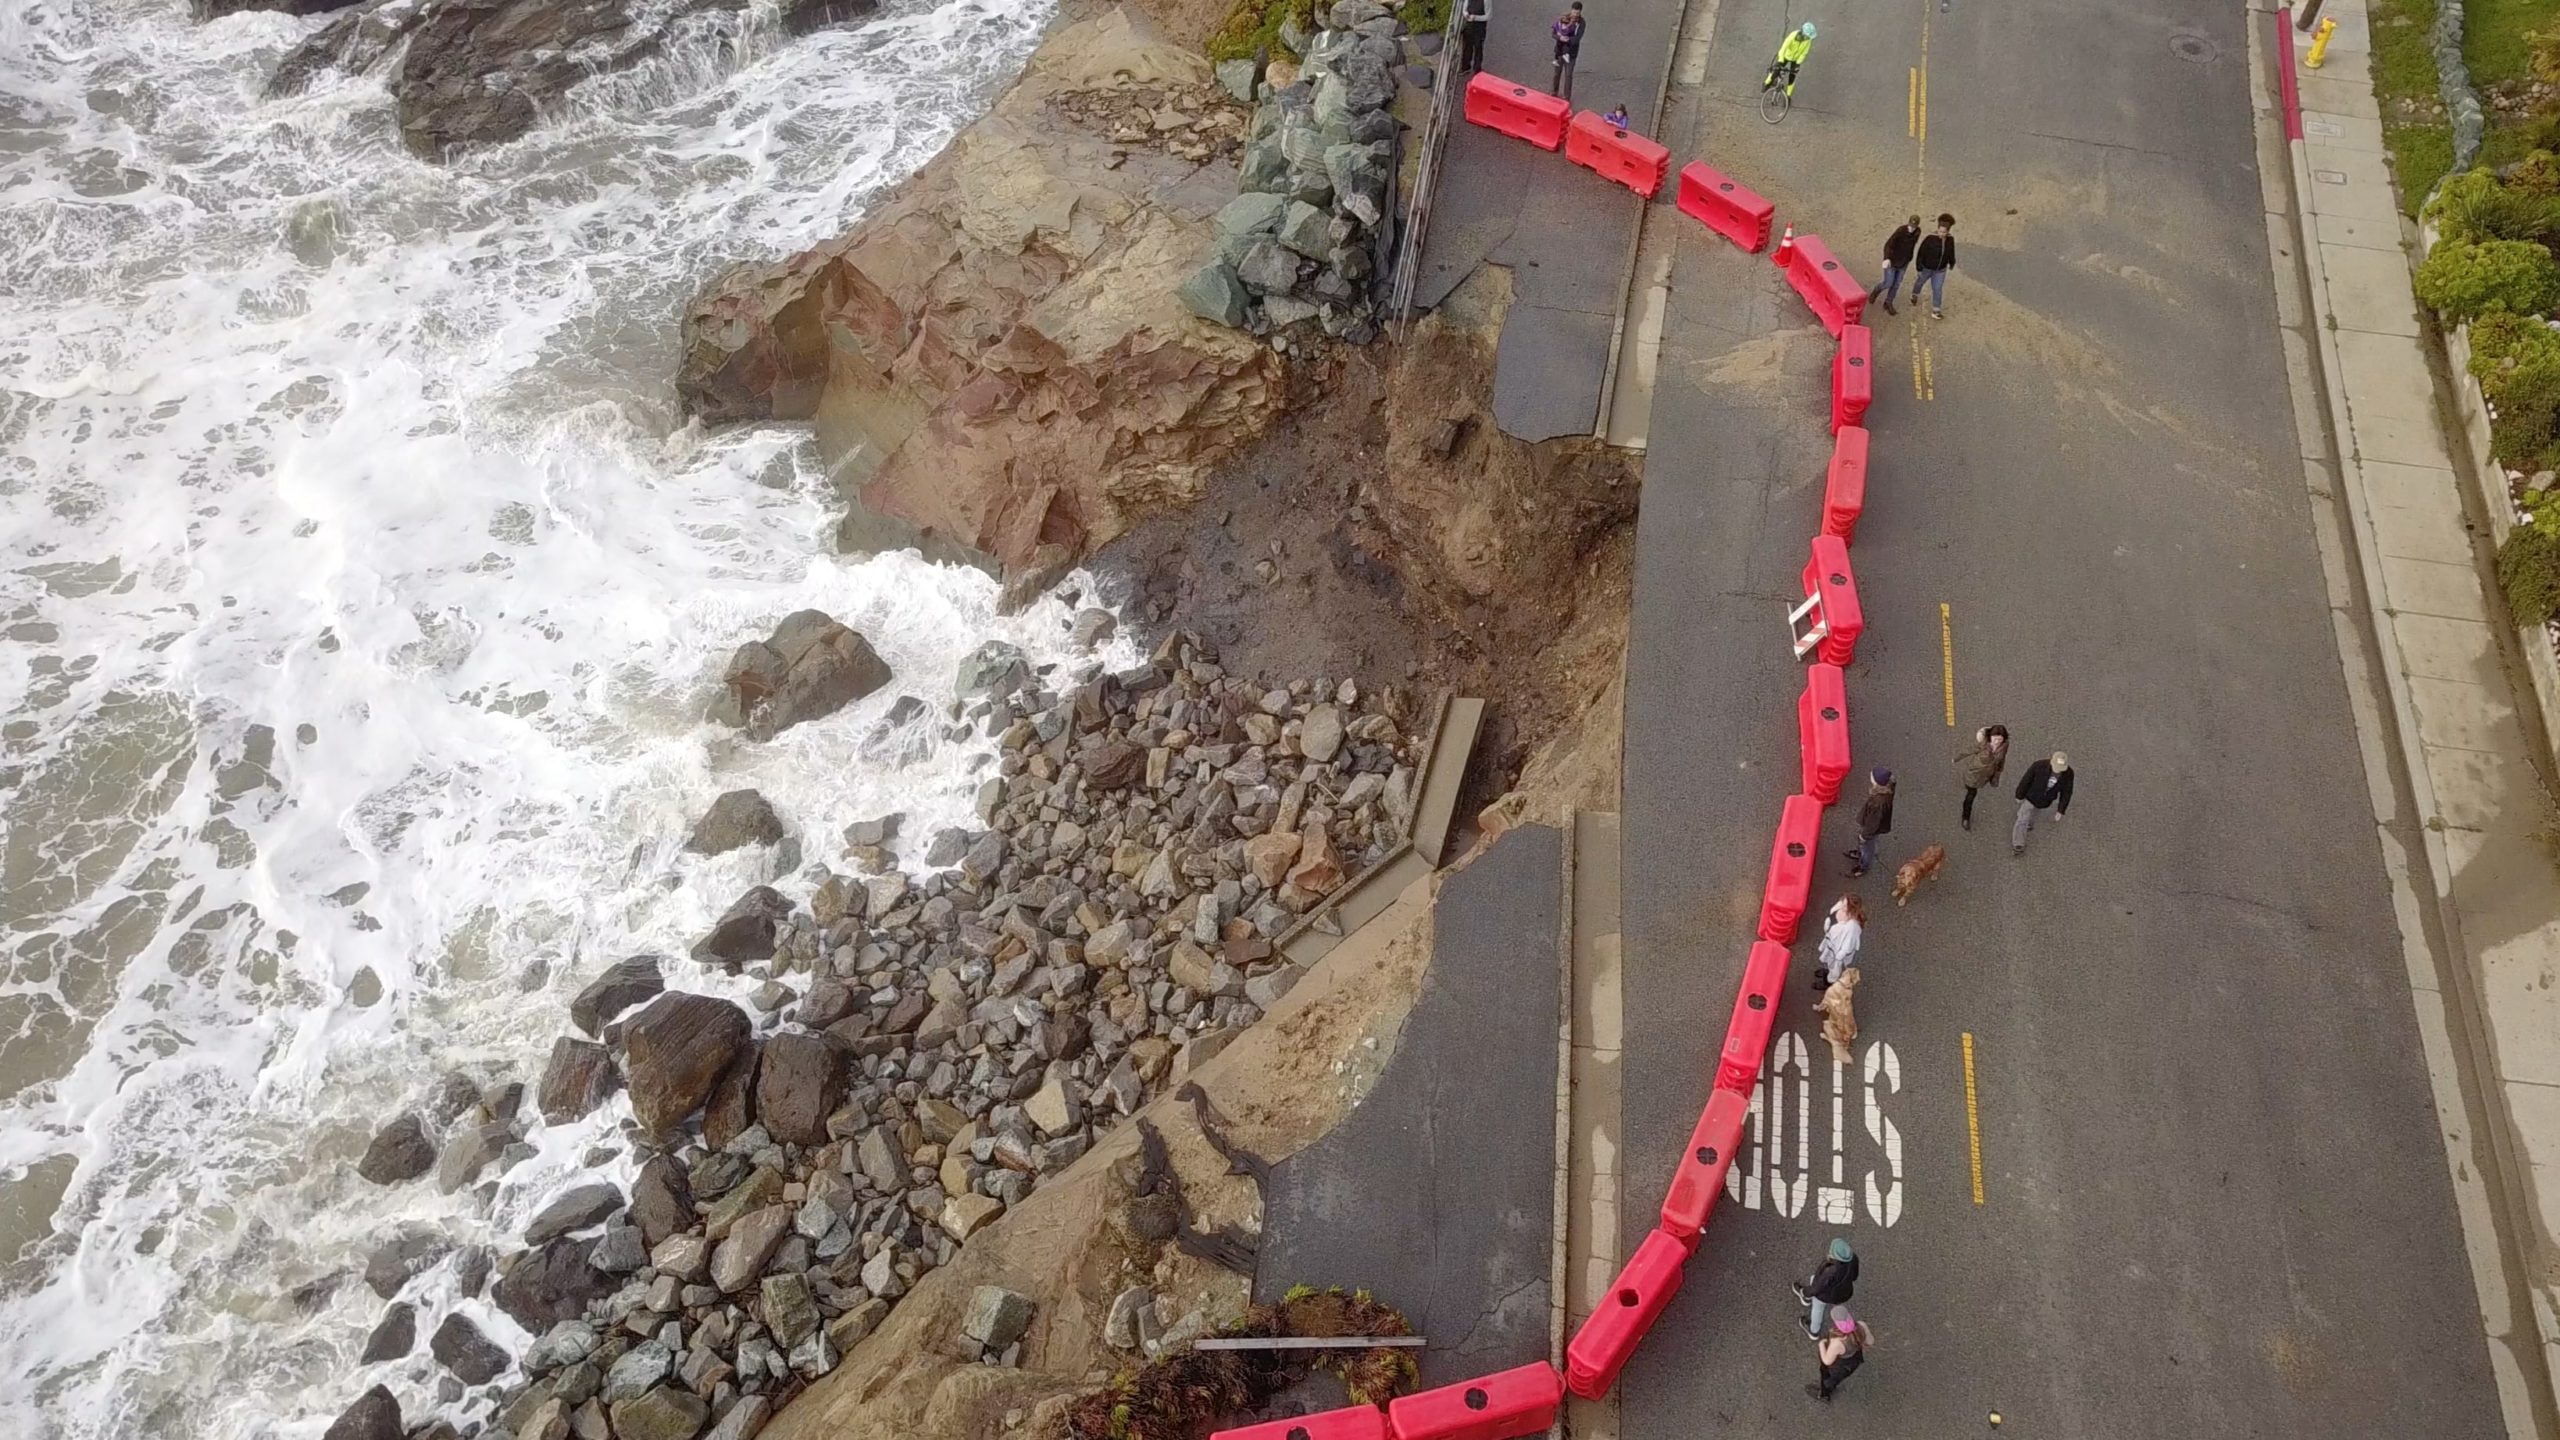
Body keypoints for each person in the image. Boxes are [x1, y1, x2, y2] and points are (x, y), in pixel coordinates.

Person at [1791, 1236, 1858, 1338]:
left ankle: (1814, 1331)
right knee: (1814, 1281)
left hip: (1826, 1295)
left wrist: (1805, 1292)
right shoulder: (1853, 1259)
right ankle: (1808, 1301)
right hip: (1844, 1292)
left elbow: (1817, 1288)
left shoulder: (1830, 1270)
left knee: (1818, 1308)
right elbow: (1854, 1277)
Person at [2012, 750, 2074, 856]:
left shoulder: (2068, 774)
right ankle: (2018, 843)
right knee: (2022, 819)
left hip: (2045, 801)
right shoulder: (2038, 766)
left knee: (2034, 813)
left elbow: (2067, 792)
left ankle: (2029, 824)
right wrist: (2019, 795)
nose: (2058, 771)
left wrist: (2061, 810)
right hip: (2030, 797)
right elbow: (2026, 780)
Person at [1953, 723, 2009, 830]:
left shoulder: (2005, 746)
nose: (1997, 742)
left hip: (1987, 775)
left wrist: (1997, 774)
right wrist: (1956, 758)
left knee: (1974, 791)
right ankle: (1965, 817)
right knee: (1971, 795)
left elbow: (2002, 760)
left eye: (2000, 739)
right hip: (1974, 774)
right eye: (1995, 739)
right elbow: (1968, 751)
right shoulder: (1983, 745)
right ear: (1990, 737)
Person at [1809, 1308, 1872, 1401]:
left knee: (1828, 1379)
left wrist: (1821, 1345)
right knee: (1837, 1379)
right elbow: (1870, 1341)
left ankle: (1824, 1394)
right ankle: (1830, 1387)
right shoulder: (1861, 1325)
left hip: (1839, 1365)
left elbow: (1827, 1360)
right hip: (1854, 1360)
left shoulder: (1838, 1342)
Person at [1843, 767, 1893, 876]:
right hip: (1879, 825)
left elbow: (1872, 823)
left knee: (1867, 847)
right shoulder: (1887, 790)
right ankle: (1860, 854)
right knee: (1867, 845)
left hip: (1871, 830)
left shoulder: (1877, 803)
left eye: (1872, 777)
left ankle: (1863, 867)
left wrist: (1864, 835)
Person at [1868, 215, 1922, 316]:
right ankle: (1876, 290)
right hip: (1892, 261)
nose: (1911, 229)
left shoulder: (1917, 232)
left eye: (1914, 227)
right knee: (1888, 282)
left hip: (1904, 262)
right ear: (1908, 223)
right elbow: (1889, 244)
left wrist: (1909, 258)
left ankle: (1888, 303)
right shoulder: (1900, 231)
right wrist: (1887, 258)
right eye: (1910, 226)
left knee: (1896, 284)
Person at [1814, 894, 1864, 991]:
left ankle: (1828, 982)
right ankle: (1826, 970)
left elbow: (1848, 946)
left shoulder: (1852, 927)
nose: (1842, 906)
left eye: (1845, 906)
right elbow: (1833, 913)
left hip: (1837, 952)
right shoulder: (1842, 907)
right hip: (1831, 944)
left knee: (1834, 970)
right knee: (1828, 961)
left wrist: (1839, 957)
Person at [1913, 213, 1956, 319]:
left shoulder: (1950, 240)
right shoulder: (1930, 239)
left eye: (1944, 232)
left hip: (1940, 270)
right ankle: (1915, 293)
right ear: (1937, 229)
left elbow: (1951, 252)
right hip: (1927, 268)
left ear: (1947, 232)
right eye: (1940, 231)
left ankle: (1936, 310)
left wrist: (1952, 262)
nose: (1941, 234)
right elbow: (1921, 253)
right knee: (1920, 282)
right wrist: (1919, 267)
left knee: (1937, 288)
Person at [1818, 968, 1860, 1067]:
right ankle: (1847, 1035)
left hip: (1840, 1016)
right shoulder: (1846, 989)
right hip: (1840, 1013)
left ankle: (1834, 1041)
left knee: (1834, 1029)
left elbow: (1829, 1000)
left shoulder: (1841, 989)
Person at [1765, 21, 1815, 95]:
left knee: (1792, 76)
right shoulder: (1792, 36)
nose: (1808, 38)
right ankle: (1766, 83)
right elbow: (1783, 48)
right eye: (1807, 36)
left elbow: (1804, 53)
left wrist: (1798, 63)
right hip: (1786, 56)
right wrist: (1781, 60)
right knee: (1776, 70)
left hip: (1796, 59)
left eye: (1809, 37)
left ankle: (1788, 95)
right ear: (1802, 33)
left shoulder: (1808, 41)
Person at [1550, 3, 1585, 100]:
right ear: (1571, 10)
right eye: (1574, 12)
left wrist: (1567, 39)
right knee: (1557, 73)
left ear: (1580, 12)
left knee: (1568, 75)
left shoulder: (1581, 23)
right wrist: (1560, 37)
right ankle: (1554, 92)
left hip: (1571, 53)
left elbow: (1577, 38)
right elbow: (1553, 33)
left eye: (1577, 13)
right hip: (1560, 51)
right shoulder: (1564, 18)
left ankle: (1566, 97)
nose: (1575, 15)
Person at [1459, 0, 1490, 73]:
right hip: (1469, 27)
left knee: (1478, 48)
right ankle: (1465, 67)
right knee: (1467, 48)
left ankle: (1477, 69)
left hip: (1480, 28)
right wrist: (1466, 14)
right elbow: (1464, 10)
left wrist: (1476, 18)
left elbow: (1488, 16)